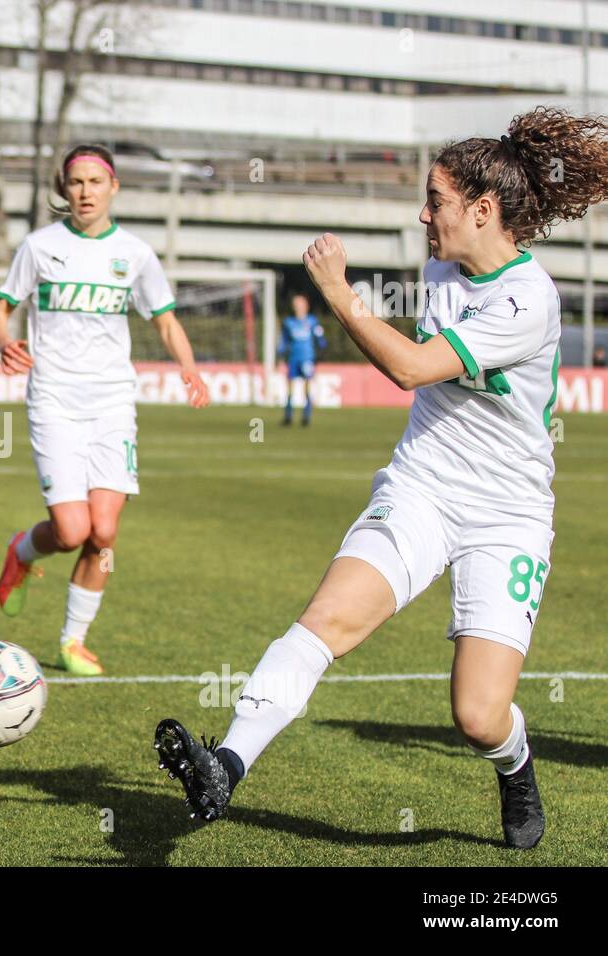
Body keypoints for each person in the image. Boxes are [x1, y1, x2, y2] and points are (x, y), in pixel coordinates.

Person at [153, 107, 608, 849]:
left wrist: (339, 291)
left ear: (484, 211)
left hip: (509, 514)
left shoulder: (530, 300)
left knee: (479, 716)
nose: (423, 215)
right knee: (327, 619)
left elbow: (410, 366)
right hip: (422, 487)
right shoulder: (441, 265)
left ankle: (515, 763)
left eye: (436, 200)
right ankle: (226, 765)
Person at [0, 144, 209, 677]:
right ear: (64, 190)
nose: (85, 191)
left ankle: (72, 642)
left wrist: (190, 367)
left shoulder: (134, 254)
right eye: (75, 182)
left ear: (114, 188)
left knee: (103, 531)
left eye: (94, 181)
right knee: (69, 531)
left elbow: (164, 319)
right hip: (55, 399)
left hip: (112, 400)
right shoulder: (40, 247)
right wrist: (5, 341)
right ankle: (22, 552)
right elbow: (1, 310)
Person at [279, 292, 327, 425]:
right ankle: (288, 416)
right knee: (289, 387)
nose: (297, 306)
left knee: (307, 386)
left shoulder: (312, 321)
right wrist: (281, 354)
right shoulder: (289, 322)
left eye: (299, 303)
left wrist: (320, 353)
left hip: (307, 358)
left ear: (306, 305)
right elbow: (284, 341)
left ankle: (306, 416)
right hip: (293, 358)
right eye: (295, 303)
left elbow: (320, 339)